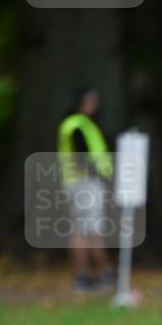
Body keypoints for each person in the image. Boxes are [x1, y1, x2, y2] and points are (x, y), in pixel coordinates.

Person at [58, 87, 115, 293]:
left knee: (80, 229)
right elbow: (84, 156)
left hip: (74, 183)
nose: (94, 106)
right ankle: (103, 273)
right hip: (86, 183)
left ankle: (83, 275)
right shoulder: (79, 125)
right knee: (93, 230)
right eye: (91, 101)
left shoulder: (72, 123)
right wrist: (101, 174)